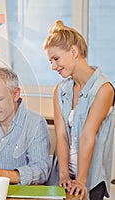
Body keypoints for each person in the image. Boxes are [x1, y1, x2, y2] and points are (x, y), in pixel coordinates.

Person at [43, 20, 115, 200]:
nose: (53, 66)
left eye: (56, 59)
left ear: (74, 51)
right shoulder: (60, 90)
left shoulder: (104, 89)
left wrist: (81, 181)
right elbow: (61, 135)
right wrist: (63, 175)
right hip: (64, 177)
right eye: (50, 61)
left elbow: (87, 136)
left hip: (90, 179)